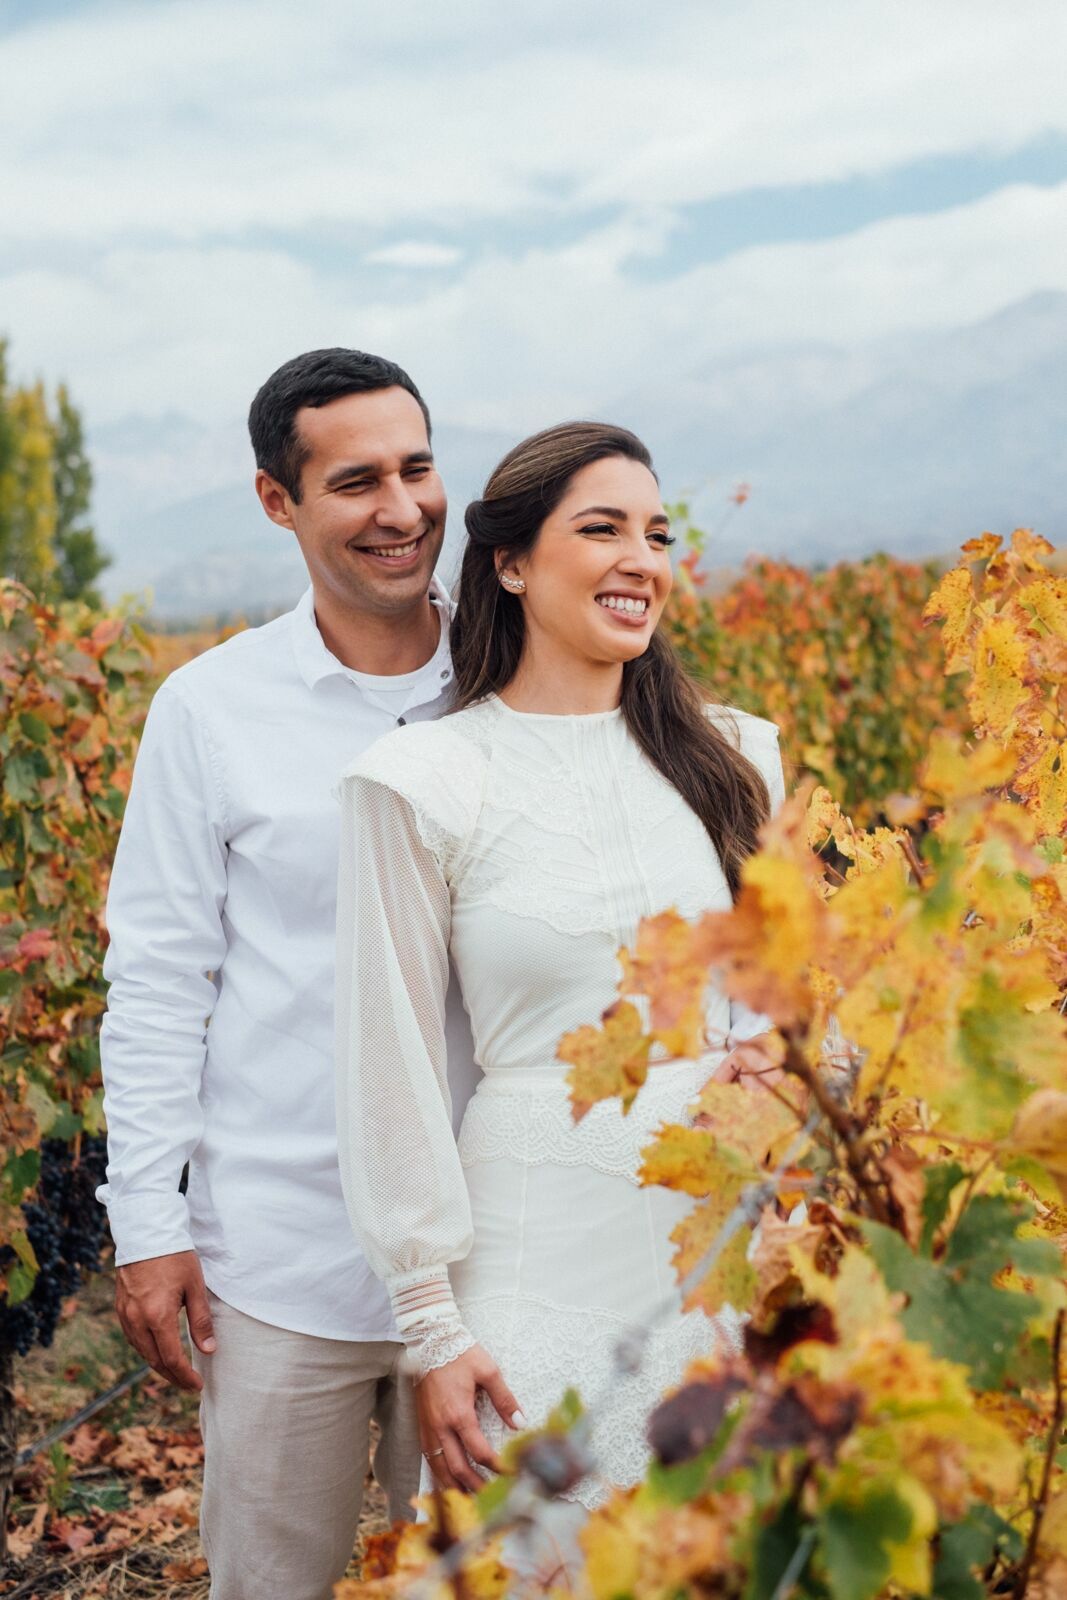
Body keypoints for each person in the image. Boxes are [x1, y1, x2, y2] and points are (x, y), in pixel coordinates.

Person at [334, 421, 784, 1537]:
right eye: (602, 528)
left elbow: (794, 1008)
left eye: (657, 533)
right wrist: (430, 1326)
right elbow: (383, 1053)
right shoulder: (421, 776)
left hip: (724, 1257)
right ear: (511, 562)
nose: (642, 558)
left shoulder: (737, 755)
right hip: (530, 1259)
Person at [96, 349, 479, 1600]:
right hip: (279, 1258)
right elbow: (159, 977)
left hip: (493, 1253)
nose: (400, 508)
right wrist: (147, 1227)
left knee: (494, 1582)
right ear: (279, 501)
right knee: (271, 1582)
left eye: (416, 468)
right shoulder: (209, 710)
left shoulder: (516, 684)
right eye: (355, 480)